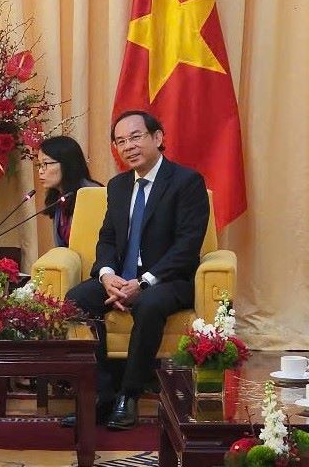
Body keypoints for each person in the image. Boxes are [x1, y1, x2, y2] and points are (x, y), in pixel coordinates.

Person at [62, 110, 209, 430]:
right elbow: (108, 239)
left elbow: (187, 246)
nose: (128, 146)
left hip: (168, 279)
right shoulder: (117, 187)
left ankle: (129, 395)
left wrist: (141, 283)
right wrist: (106, 276)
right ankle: (100, 396)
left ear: (158, 138)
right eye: (120, 141)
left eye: (136, 137)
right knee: (75, 300)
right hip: (121, 277)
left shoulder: (187, 182)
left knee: (148, 303)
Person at [37, 135, 102, 248]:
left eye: (45, 164)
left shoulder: (92, 194)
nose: (40, 171)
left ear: (67, 164)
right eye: (39, 165)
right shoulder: (60, 198)